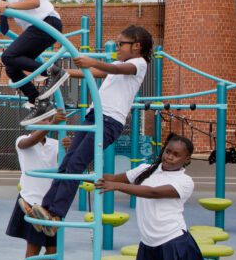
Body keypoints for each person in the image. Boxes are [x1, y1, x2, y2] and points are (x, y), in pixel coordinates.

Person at [29, 25, 153, 234]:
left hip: (109, 121)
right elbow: (95, 72)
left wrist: (92, 61)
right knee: (67, 161)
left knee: (76, 163)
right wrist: (64, 72)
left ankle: (57, 212)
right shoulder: (120, 62)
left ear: (137, 46)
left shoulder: (138, 64)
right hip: (93, 116)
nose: (117, 48)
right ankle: (46, 207)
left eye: (121, 44)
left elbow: (111, 69)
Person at [6, 111, 67, 260]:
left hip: (50, 205)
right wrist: (50, 125)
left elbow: (64, 164)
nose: (46, 122)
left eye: (48, 119)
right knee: (34, 245)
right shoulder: (22, 141)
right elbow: (30, 142)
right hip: (31, 201)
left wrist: (69, 148)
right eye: (42, 119)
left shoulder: (55, 144)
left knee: (53, 250)